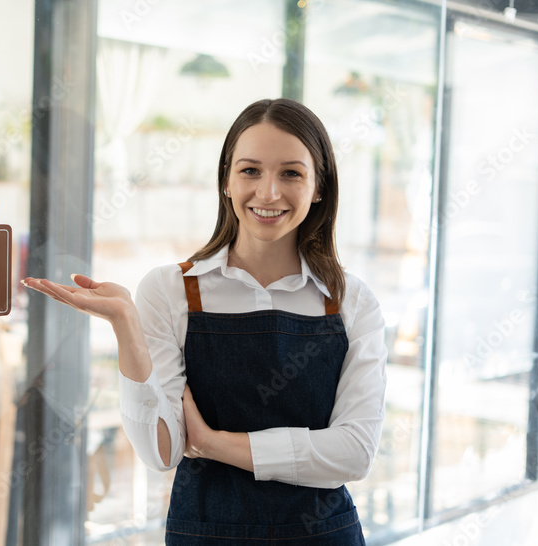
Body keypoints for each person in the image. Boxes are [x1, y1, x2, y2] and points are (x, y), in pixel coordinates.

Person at [22, 98, 387, 545]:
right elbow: (161, 452)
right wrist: (127, 330)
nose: (268, 192)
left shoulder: (351, 302)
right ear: (226, 182)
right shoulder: (170, 291)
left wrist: (215, 445)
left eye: (291, 172)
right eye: (250, 170)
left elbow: (354, 454)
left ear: (318, 188)